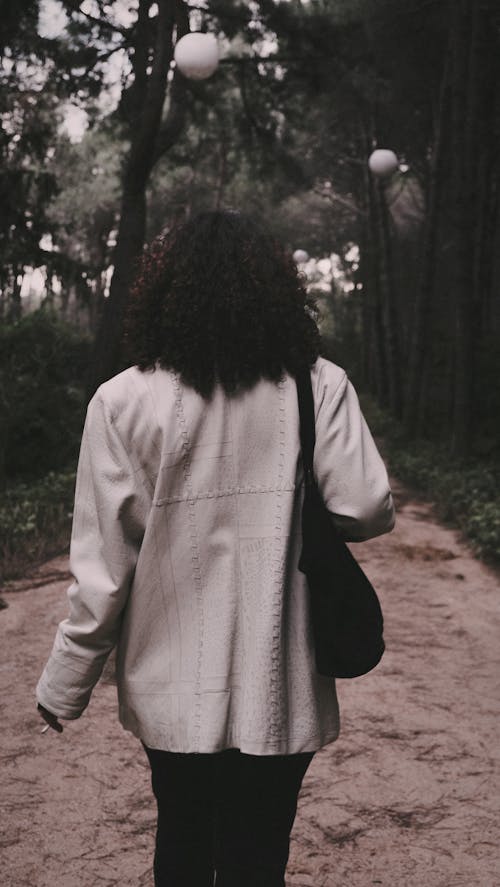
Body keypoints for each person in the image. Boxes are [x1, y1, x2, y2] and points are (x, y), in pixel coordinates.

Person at [36, 210, 395, 887]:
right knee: (259, 854)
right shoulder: (317, 384)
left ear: (166, 293)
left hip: (172, 687)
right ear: (276, 294)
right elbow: (368, 506)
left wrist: (65, 682)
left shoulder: (123, 401)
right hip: (281, 678)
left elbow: (103, 571)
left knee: (182, 838)